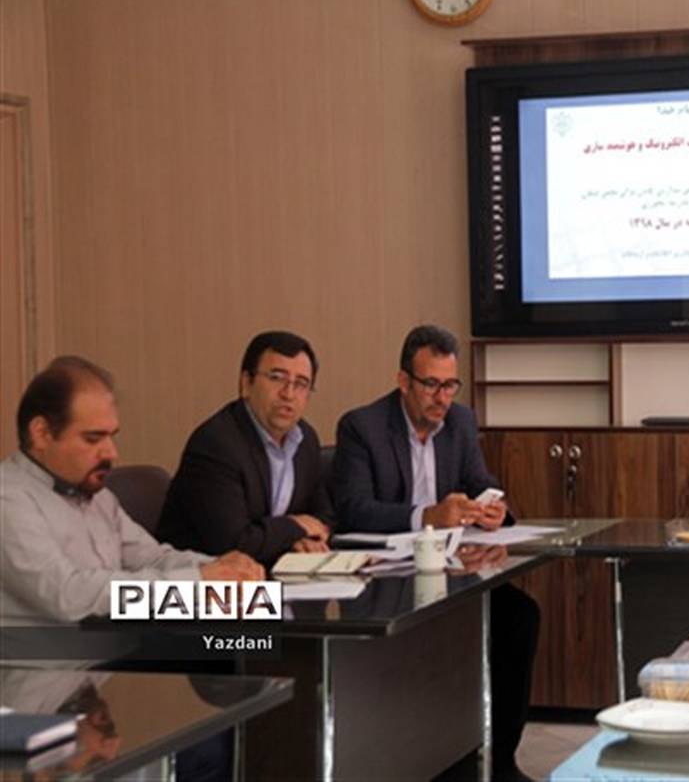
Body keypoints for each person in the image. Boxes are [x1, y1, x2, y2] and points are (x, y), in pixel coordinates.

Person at [333, 325, 539, 782]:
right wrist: (428, 515)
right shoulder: (362, 427)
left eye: (450, 385)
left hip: (451, 575)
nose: (442, 398)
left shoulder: (460, 422)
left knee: (519, 617)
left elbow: (479, 480)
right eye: (431, 385)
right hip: (387, 581)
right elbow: (352, 510)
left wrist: (494, 509)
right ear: (403, 381)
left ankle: (499, 763)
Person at [0, 356, 263, 630]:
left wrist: (224, 569)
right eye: (93, 439)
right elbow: (68, 596)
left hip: (125, 643)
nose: (111, 453)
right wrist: (198, 582)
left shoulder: (96, 494)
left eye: (111, 436)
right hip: (54, 654)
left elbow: (152, 559)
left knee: (264, 639)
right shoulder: (9, 499)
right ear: (41, 433)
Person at [158, 331, 333, 567]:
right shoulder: (216, 444)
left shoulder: (305, 439)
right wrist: (294, 528)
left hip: (270, 574)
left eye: (301, 384)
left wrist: (305, 538)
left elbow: (323, 516)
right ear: (246, 383)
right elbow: (233, 543)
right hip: (203, 581)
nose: (288, 394)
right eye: (277, 378)